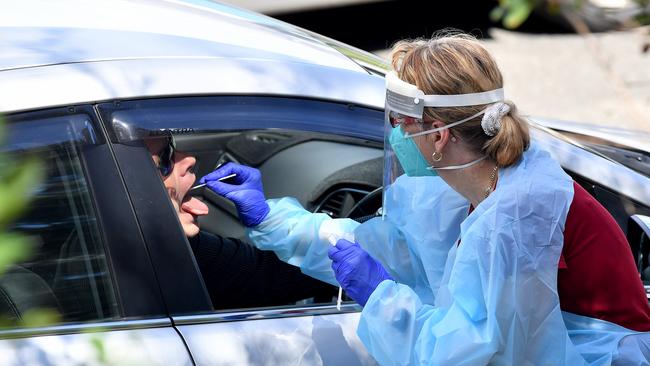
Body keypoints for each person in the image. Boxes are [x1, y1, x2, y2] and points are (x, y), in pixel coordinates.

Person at [201, 32, 650, 364]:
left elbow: (475, 353)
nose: (395, 135)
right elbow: (395, 249)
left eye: (402, 123)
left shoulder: (518, 216)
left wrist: (382, 298)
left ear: (440, 135)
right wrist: (273, 220)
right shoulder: (477, 178)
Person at [143, 134, 335, 309]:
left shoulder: (186, 249)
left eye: (171, 144)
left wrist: (268, 221)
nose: (190, 159)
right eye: (165, 158)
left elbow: (270, 275)